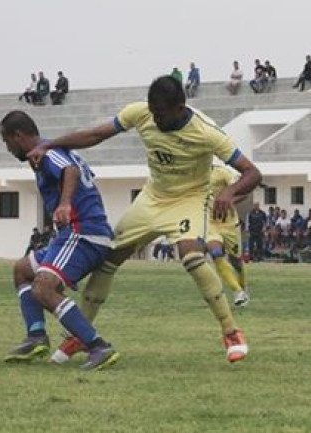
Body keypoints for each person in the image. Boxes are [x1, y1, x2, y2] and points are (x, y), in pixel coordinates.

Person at [28, 76, 262, 364]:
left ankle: (231, 331)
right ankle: (79, 336)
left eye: (160, 114)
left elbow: (252, 173)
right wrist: (50, 144)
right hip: (152, 197)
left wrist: (230, 191)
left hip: (189, 199)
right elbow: (95, 135)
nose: (154, 118)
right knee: (109, 260)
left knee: (190, 255)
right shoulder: (142, 112)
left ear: (179, 108)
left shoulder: (205, 132)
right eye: (152, 111)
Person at [0, 110, 120, 370]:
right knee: (22, 270)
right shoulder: (47, 152)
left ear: (18, 136)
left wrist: (65, 204)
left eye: (6, 141)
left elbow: (71, 171)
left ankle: (98, 346)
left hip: (83, 233)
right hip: (73, 235)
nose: (7, 148)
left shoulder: (48, 153)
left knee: (42, 287)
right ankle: (36, 336)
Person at [206, 165, 251, 307]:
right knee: (216, 253)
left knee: (236, 262)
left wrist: (230, 201)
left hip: (230, 224)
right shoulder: (194, 176)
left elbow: (244, 191)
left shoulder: (222, 172)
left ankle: (243, 290)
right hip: (211, 224)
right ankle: (237, 291)